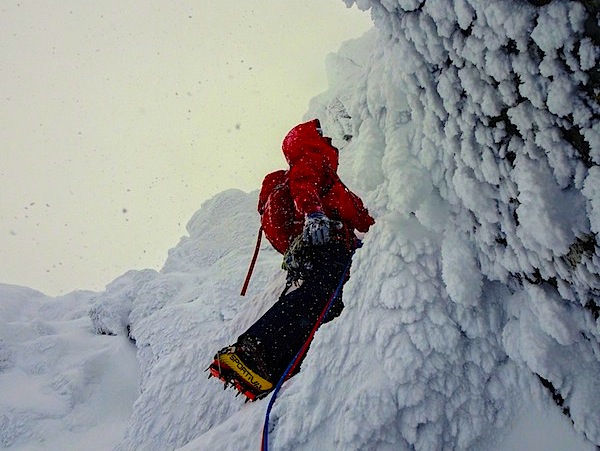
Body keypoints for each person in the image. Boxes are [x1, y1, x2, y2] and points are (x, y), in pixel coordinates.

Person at [208, 119, 375, 400]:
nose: (329, 140)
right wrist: (313, 214)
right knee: (317, 296)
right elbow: (303, 184)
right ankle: (254, 350)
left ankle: (276, 362)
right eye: (322, 136)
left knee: (320, 300)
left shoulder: (331, 181)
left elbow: (361, 217)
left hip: (316, 246)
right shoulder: (312, 159)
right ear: (309, 140)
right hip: (328, 243)